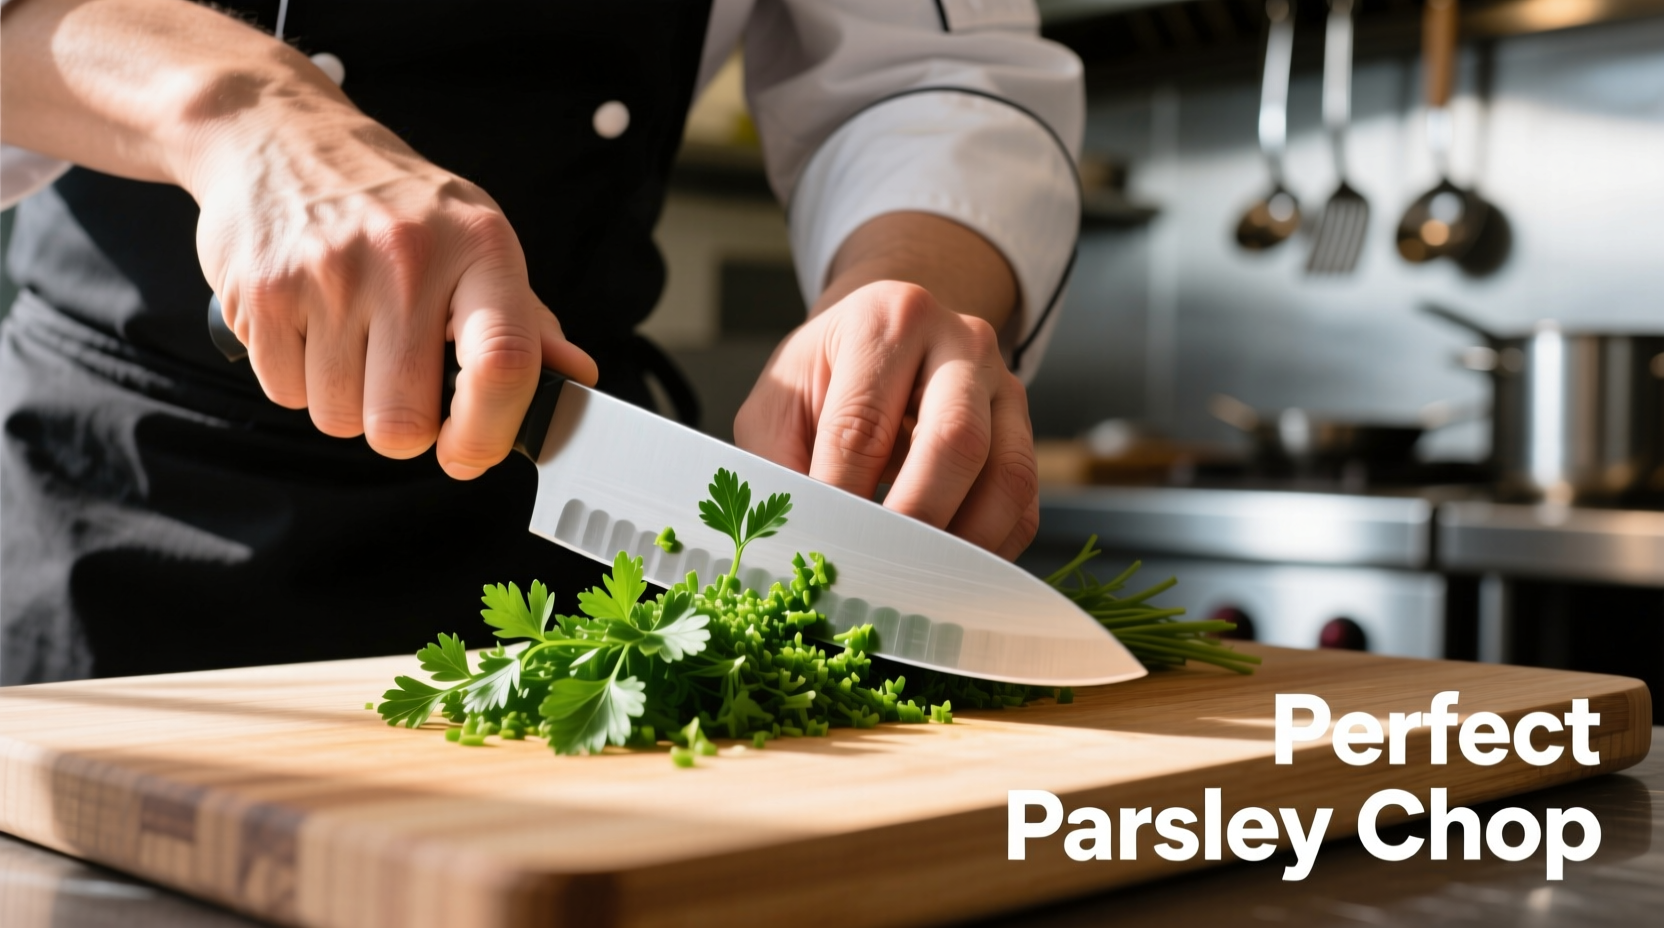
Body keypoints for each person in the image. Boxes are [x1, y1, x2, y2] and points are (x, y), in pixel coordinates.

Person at [0, 0, 1082, 684]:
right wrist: (241, 106)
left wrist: (904, 282)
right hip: (124, 501)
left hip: (550, 536)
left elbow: (927, 71)